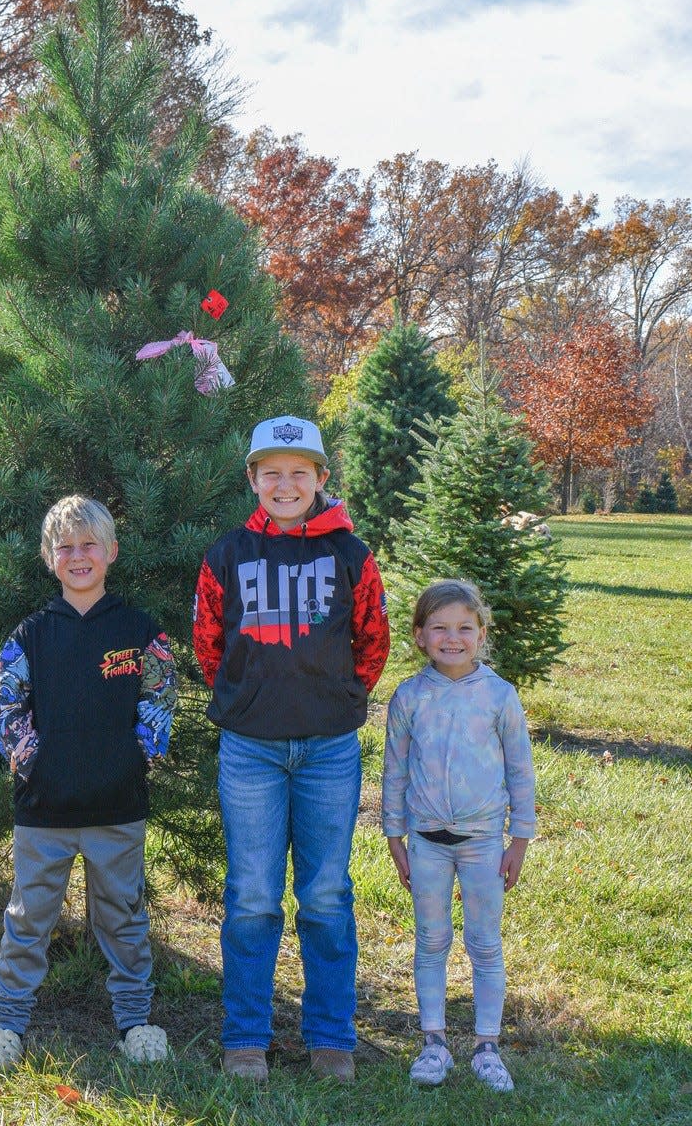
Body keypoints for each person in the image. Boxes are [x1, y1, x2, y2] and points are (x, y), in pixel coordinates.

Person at [193, 415, 390, 1084]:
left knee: (327, 893)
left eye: (298, 472)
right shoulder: (227, 556)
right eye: (270, 472)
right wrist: (251, 703)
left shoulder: (352, 556)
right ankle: (246, 1034)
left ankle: (331, 1035)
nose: (285, 484)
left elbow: (372, 643)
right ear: (252, 479)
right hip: (251, 750)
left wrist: (334, 702)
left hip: (329, 750)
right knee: (251, 894)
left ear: (320, 479)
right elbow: (208, 647)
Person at [0, 494, 177, 1072]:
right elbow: (5, 704)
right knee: (28, 917)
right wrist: (30, 760)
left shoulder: (140, 631)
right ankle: (8, 1024)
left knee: (123, 915)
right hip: (44, 809)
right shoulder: (31, 635)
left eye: (89, 544)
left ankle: (136, 1023)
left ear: (111, 552)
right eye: (65, 546)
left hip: (118, 804)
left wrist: (137, 755)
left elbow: (160, 696)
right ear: (49, 558)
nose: (78, 555)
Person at [381, 578, 536, 1094]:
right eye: (439, 628)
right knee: (431, 941)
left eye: (464, 628)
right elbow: (395, 773)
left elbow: (520, 770)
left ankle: (487, 1047)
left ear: (481, 634)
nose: (452, 638)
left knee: (485, 944)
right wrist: (394, 835)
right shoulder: (409, 698)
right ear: (420, 635)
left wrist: (520, 838)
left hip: (484, 844)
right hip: (426, 842)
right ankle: (433, 1043)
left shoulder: (499, 696)